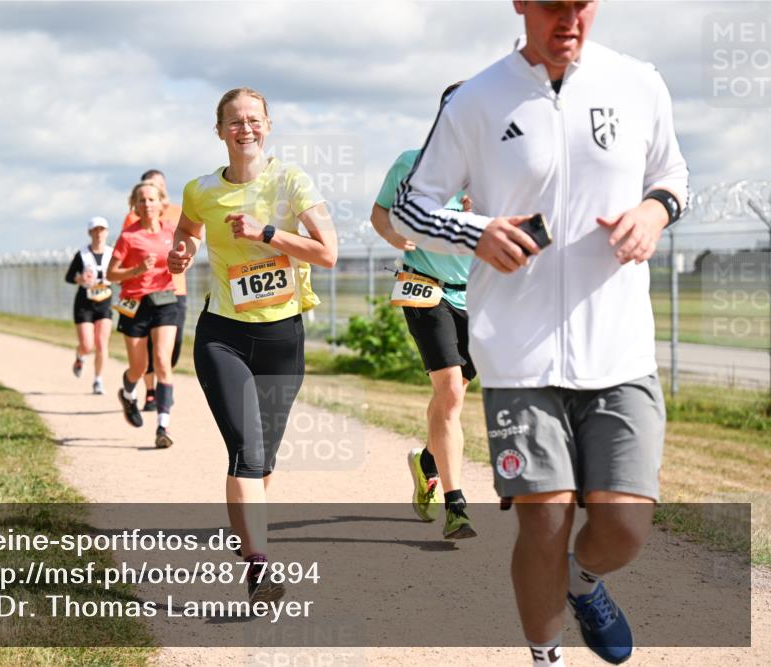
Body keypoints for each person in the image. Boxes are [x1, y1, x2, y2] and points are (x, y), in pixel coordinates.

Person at [390, 3, 689, 665]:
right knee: (545, 519)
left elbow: (673, 174)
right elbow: (413, 203)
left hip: (619, 350)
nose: (569, 17)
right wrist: (477, 230)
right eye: (552, 2)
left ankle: (586, 583)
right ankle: (544, 656)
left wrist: (654, 210)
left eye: (581, 3)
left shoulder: (639, 83)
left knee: (625, 522)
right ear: (520, 3)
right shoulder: (476, 98)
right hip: (518, 357)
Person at [167, 87, 337, 602]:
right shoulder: (200, 189)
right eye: (235, 121)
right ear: (218, 130)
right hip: (223, 336)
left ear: (268, 125)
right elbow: (188, 231)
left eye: (254, 119)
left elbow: (327, 252)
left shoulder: (290, 181)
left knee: (264, 462)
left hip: (282, 336)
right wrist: (182, 252)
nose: (245, 128)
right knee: (246, 449)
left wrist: (268, 233)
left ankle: (248, 540)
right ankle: (259, 563)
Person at [371, 101, 477, 539]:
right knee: (449, 389)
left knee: (452, 399)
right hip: (425, 288)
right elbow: (379, 215)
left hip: (479, 297)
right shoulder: (410, 164)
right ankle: (457, 506)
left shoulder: (494, 171)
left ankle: (427, 462)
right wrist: (399, 237)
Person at [107, 181, 179, 448]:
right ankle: (128, 393)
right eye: (141, 200)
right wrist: (136, 270)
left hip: (164, 301)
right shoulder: (128, 237)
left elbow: (187, 253)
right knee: (139, 367)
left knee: (162, 360)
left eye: (151, 199)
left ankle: (163, 426)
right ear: (134, 205)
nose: (147, 204)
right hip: (134, 304)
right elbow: (111, 275)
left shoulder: (171, 231)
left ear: (162, 203)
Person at [123, 169, 189, 412]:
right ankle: (152, 392)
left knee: (173, 345)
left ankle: (163, 381)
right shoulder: (134, 216)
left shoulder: (179, 212)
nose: (151, 196)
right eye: (148, 188)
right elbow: (126, 250)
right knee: (150, 347)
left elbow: (190, 243)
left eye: (157, 187)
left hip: (175, 288)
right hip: (144, 291)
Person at [65, 217, 115, 395]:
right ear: (90, 233)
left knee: (102, 343)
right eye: (95, 230)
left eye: (102, 230)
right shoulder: (82, 254)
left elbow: (120, 274)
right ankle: (80, 356)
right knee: (87, 344)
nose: (99, 233)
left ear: (107, 232)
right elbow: (69, 276)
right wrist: (80, 278)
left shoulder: (112, 253)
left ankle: (98, 380)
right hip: (84, 303)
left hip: (105, 301)